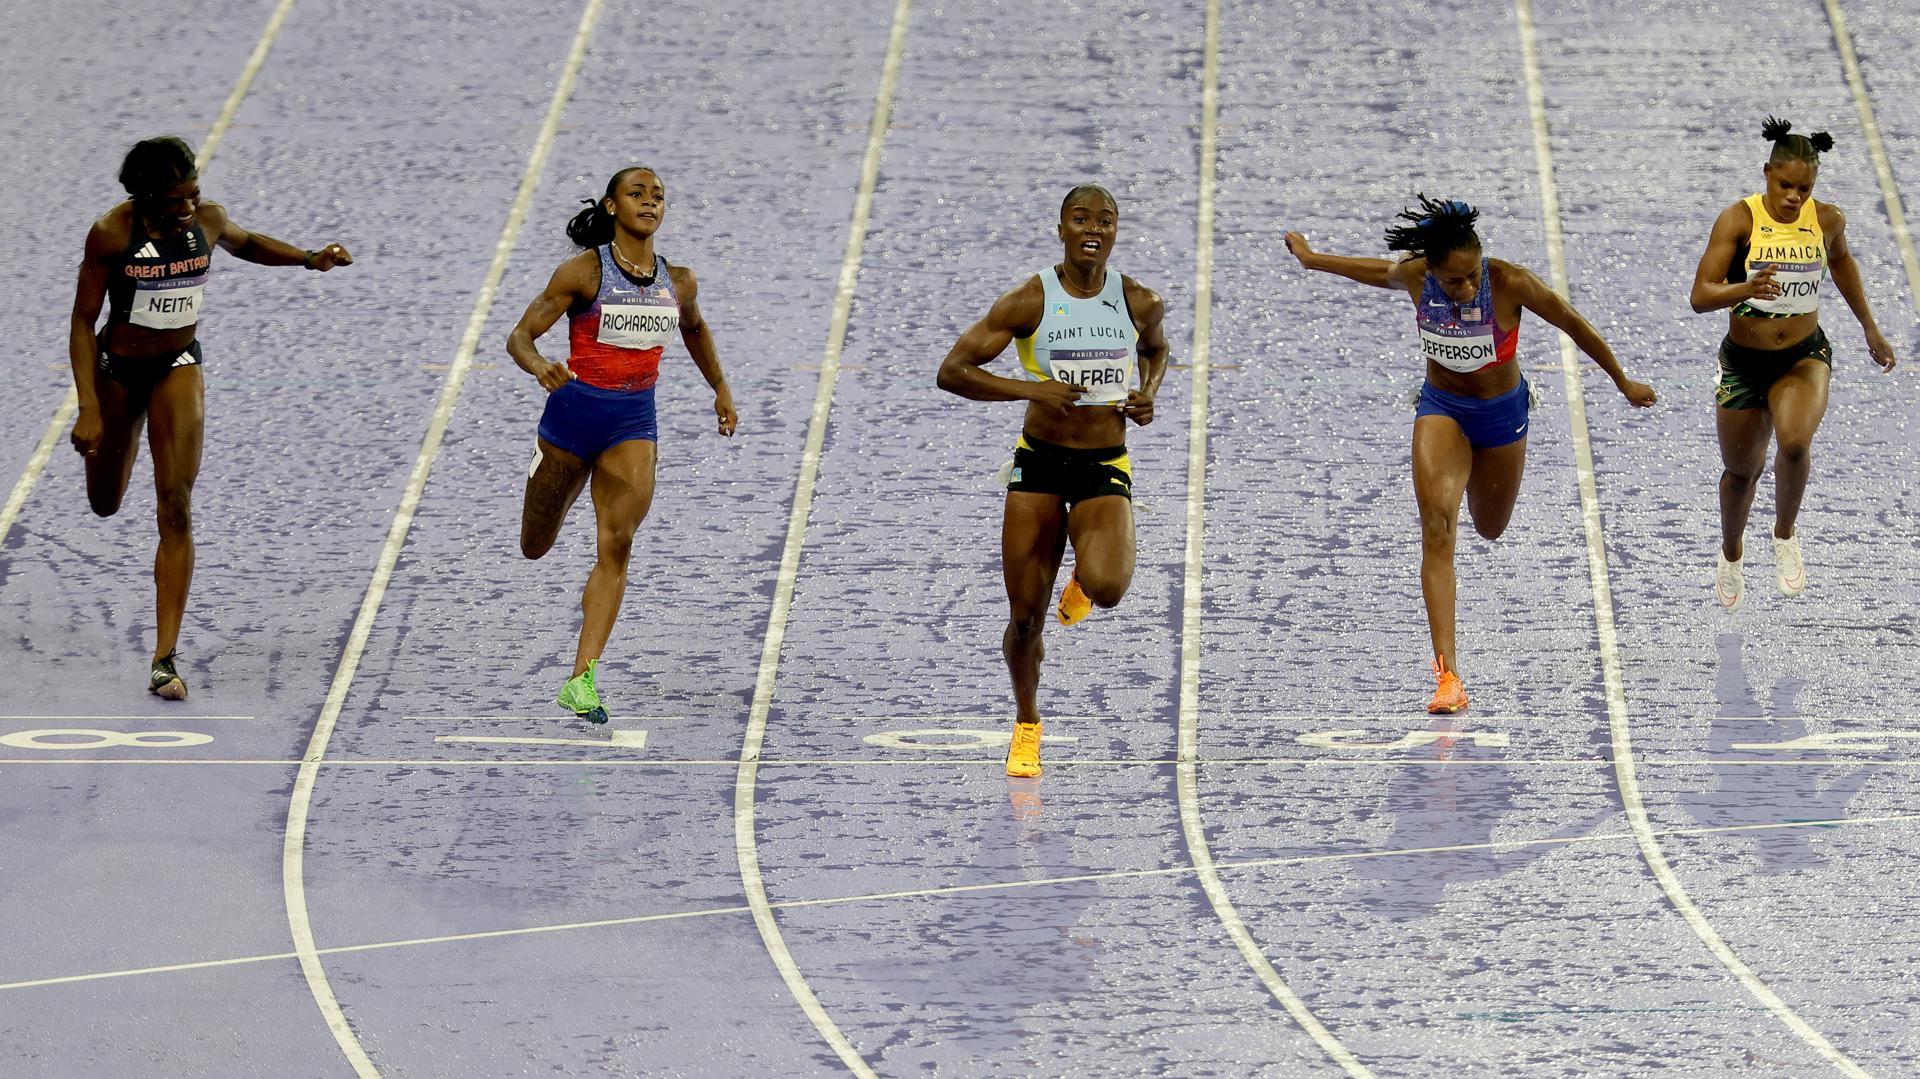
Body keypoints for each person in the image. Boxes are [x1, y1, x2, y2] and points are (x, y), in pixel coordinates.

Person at [1285, 196, 1655, 713]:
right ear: (1431, 270)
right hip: (1443, 409)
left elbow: (1571, 322)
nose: (1462, 288)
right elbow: (1375, 271)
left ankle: (1451, 662)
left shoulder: (1510, 282)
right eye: (1452, 281)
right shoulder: (1417, 278)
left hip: (1502, 415)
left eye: (1469, 277)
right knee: (1437, 526)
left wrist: (1622, 380)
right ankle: (1447, 677)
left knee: (1490, 526)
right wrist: (1314, 258)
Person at [68, 135, 352, 699]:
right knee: (105, 503)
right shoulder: (112, 235)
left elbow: (247, 244)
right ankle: (113, 446)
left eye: (193, 195)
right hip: (118, 372)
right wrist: (89, 408)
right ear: (146, 198)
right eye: (175, 201)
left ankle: (164, 658)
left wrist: (307, 257)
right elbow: (81, 321)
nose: (188, 208)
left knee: (175, 504)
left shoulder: (209, 221)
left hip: (177, 365)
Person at [937, 184, 1168, 777]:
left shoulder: (1139, 301)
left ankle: (1083, 580)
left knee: (1109, 586)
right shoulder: (1030, 302)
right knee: (1024, 619)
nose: (1094, 228)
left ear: (1117, 232)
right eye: (1080, 218)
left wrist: (1148, 396)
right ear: (1060, 229)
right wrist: (1030, 388)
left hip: (1102, 465)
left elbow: (1157, 350)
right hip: (1038, 463)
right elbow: (953, 371)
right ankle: (1027, 724)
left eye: (1106, 219)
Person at [506, 166, 736, 725]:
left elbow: (695, 331)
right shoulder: (583, 273)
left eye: (658, 196)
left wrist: (721, 388)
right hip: (569, 420)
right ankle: (548, 516)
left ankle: (581, 678)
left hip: (632, 424)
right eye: (637, 194)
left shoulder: (678, 282)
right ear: (611, 207)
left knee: (618, 543)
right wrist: (539, 366)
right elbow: (520, 335)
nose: (650, 203)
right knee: (535, 545)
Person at [1689, 117, 1897, 610]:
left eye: (1805, 188)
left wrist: (1869, 326)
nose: (1794, 197)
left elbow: (1842, 262)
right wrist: (1746, 288)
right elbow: (1700, 295)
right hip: (1743, 362)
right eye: (1786, 185)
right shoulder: (1738, 220)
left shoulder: (1827, 221)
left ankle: (1785, 534)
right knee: (1741, 472)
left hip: (1803, 357)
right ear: (1767, 174)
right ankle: (1732, 550)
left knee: (1796, 442)